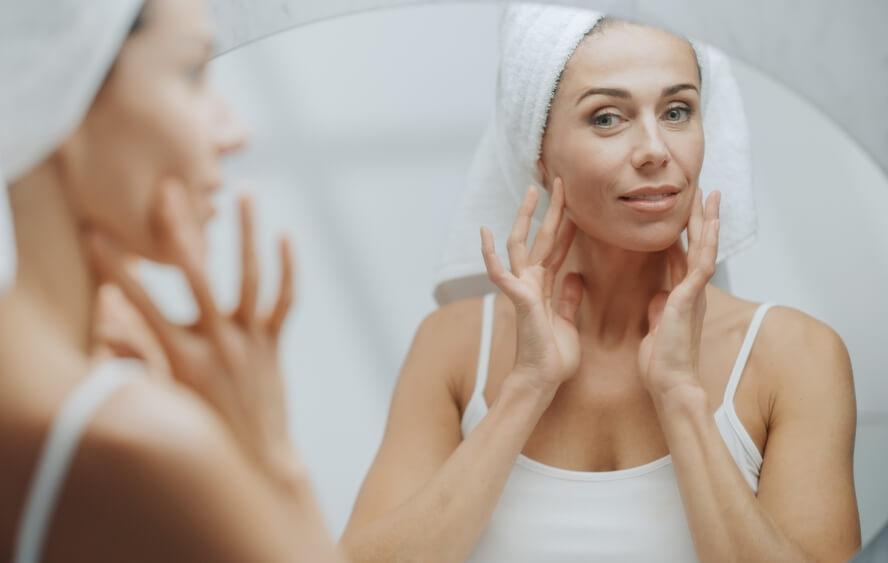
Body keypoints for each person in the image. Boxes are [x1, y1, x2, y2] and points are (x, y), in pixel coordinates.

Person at [340, 5, 861, 562]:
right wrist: (526, 390)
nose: (656, 150)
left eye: (678, 110)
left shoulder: (794, 355)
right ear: (537, 155)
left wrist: (681, 398)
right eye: (607, 118)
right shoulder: (455, 346)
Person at [0, 1, 343, 561]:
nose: (234, 132)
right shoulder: (136, 447)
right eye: (193, 71)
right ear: (57, 82)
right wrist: (272, 456)